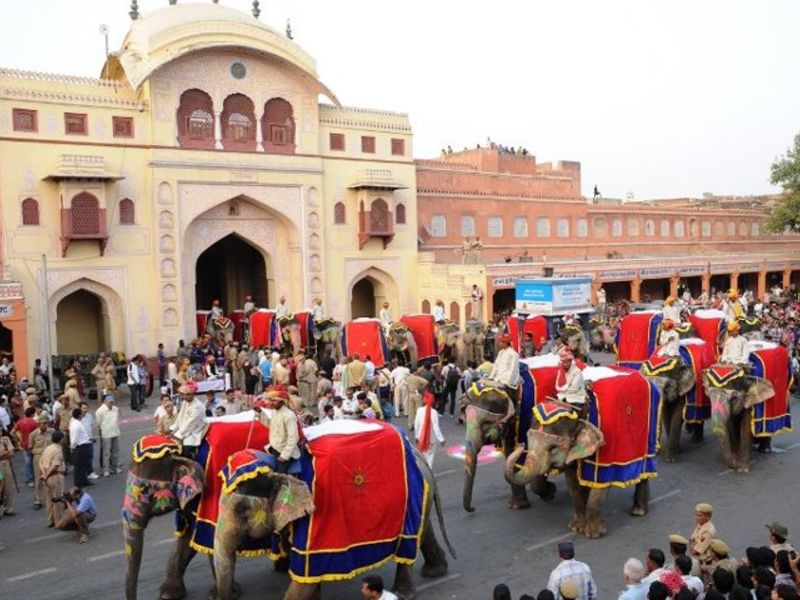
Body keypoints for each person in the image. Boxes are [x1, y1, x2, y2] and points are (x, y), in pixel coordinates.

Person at [257, 391, 299, 473]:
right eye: (270, 400)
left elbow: (293, 438)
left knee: (278, 478)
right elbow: (272, 426)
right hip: (274, 447)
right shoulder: (274, 412)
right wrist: (260, 414)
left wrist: (284, 456)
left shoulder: (289, 415)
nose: (271, 403)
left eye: (274, 401)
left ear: (282, 401)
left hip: (284, 451)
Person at [171, 384, 206, 459]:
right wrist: (171, 429)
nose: (182, 397)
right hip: (183, 431)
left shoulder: (198, 407)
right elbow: (180, 418)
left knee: (185, 452)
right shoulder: (185, 402)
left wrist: (177, 435)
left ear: (192, 394)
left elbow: (190, 424)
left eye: (184, 395)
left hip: (193, 432)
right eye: (181, 395)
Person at [40, 430, 66, 527]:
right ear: (60, 440)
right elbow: (55, 466)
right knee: (57, 500)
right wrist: (46, 475)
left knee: (49, 500)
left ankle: (50, 520)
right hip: (56, 476)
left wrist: (44, 475)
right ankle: (58, 521)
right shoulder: (58, 450)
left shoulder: (47, 448)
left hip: (47, 477)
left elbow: (41, 463)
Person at [415, 391, 445, 468]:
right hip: (432, 439)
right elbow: (436, 427)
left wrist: (416, 436)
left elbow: (416, 425)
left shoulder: (419, 411)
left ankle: (424, 474)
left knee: (424, 457)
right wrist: (441, 439)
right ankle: (429, 473)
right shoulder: (434, 412)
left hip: (421, 437)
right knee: (430, 456)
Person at [29, 414, 52, 509]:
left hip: (50, 457)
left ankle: (52, 497)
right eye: (43, 423)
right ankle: (37, 500)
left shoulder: (51, 432)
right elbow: (30, 447)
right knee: (39, 478)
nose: (45, 425)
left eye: (47, 423)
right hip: (38, 457)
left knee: (51, 477)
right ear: (39, 424)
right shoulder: (33, 434)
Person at [95, 394, 121, 477]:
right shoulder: (100, 411)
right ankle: (106, 469)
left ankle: (115, 467)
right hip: (106, 433)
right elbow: (98, 423)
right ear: (105, 402)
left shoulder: (115, 409)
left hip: (115, 432)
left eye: (112, 401)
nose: (111, 403)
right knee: (106, 453)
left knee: (115, 451)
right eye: (109, 402)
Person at [12, 406, 38, 486]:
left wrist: (18, 439)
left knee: (28, 463)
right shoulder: (34, 422)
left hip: (25, 445)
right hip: (34, 445)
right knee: (36, 461)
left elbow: (12, 432)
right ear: (32, 414)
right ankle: (37, 478)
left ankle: (30, 480)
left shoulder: (20, 422)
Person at [690, 502, 717, 577]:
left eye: (699, 516)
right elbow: (691, 540)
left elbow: (695, 551)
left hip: (706, 565)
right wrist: (692, 545)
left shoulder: (708, 531)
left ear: (707, 517)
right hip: (699, 562)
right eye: (696, 515)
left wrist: (693, 545)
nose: (696, 517)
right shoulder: (700, 525)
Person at [490, 334, 521, 398]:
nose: (499, 343)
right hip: (499, 381)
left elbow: (513, 371)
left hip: (509, 385)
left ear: (505, 343)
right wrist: (491, 377)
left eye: (500, 342)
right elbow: (496, 366)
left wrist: (507, 383)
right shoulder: (501, 352)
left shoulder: (513, 354)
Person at [69, 408, 93, 487]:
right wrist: (72, 447)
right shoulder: (76, 425)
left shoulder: (77, 423)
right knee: (79, 466)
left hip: (83, 445)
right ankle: (78, 483)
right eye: (81, 413)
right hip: (80, 447)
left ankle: (84, 480)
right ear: (79, 415)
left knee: (83, 465)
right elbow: (74, 438)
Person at [0, 426, 16, 515]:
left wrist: (3, 454)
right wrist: (6, 453)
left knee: (8, 487)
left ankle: (8, 508)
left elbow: (11, 453)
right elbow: (8, 452)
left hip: (5, 465)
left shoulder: (5, 439)